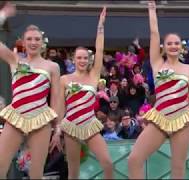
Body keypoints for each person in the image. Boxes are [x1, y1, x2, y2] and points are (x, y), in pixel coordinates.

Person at [127, 1, 189, 179]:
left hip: (182, 120)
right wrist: (152, 9)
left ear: (181, 47)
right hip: (159, 118)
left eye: (176, 43)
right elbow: (154, 33)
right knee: (134, 159)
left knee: (178, 169)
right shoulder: (157, 63)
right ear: (164, 47)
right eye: (169, 43)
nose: (173, 46)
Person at [50, 7, 113, 179]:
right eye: (79, 57)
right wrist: (57, 131)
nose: (83, 60)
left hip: (90, 125)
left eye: (85, 57)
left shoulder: (94, 75)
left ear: (89, 59)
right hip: (71, 126)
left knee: (107, 162)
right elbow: (61, 108)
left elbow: (99, 50)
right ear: (73, 59)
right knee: (73, 171)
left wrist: (101, 25)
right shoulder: (65, 79)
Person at [0, 2, 61, 179]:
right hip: (16, 116)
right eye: (29, 39)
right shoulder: (15, 60)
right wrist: (3, 15)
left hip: (41, 120)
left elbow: (56, 99)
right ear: (23, 42)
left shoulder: (52, 66)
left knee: (36, 173)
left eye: (37, 39)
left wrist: (57, 129)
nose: (33, 42)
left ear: (42, 43)